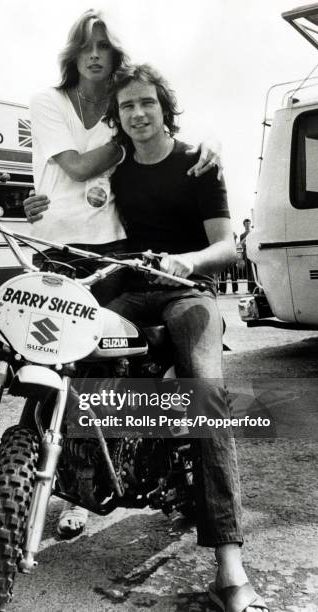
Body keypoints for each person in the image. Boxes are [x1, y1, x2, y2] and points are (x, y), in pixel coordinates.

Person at [23, 9, 223, 539]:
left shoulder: (124, 115)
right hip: (60, 250)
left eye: (105, 48)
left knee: (120, 374)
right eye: (85, 46)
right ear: (73, 53)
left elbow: (171, 162)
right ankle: (48, 487)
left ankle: (100, 492)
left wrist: (199, 144)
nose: (95, 54)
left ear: (115, 57)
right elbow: (78, 168)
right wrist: (139, 133)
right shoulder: (51, 103)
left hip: (116, 253)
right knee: (58, 376)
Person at [102, 64, 268, 612]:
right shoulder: (116, 169)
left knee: (206, 402)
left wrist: (186, 260)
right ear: (117, 116)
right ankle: (79, 491)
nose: (138, 113)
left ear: (163, 107)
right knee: (78, 361)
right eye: (127, 106)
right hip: (131, 291)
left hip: (188, 293)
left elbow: (226, 246)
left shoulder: (200, 163)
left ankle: (229, 568)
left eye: (146, 102)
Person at [239, 218, 256, 293]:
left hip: (253, 253)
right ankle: (250, 289)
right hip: (246, 253)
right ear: (244, 225)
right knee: (248, 272)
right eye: (246, 224)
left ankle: (255, 288)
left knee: (254, 271)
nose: (248, 225)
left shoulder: (254, 233)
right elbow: (241, 245)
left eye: (249, 223)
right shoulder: (242, 235)